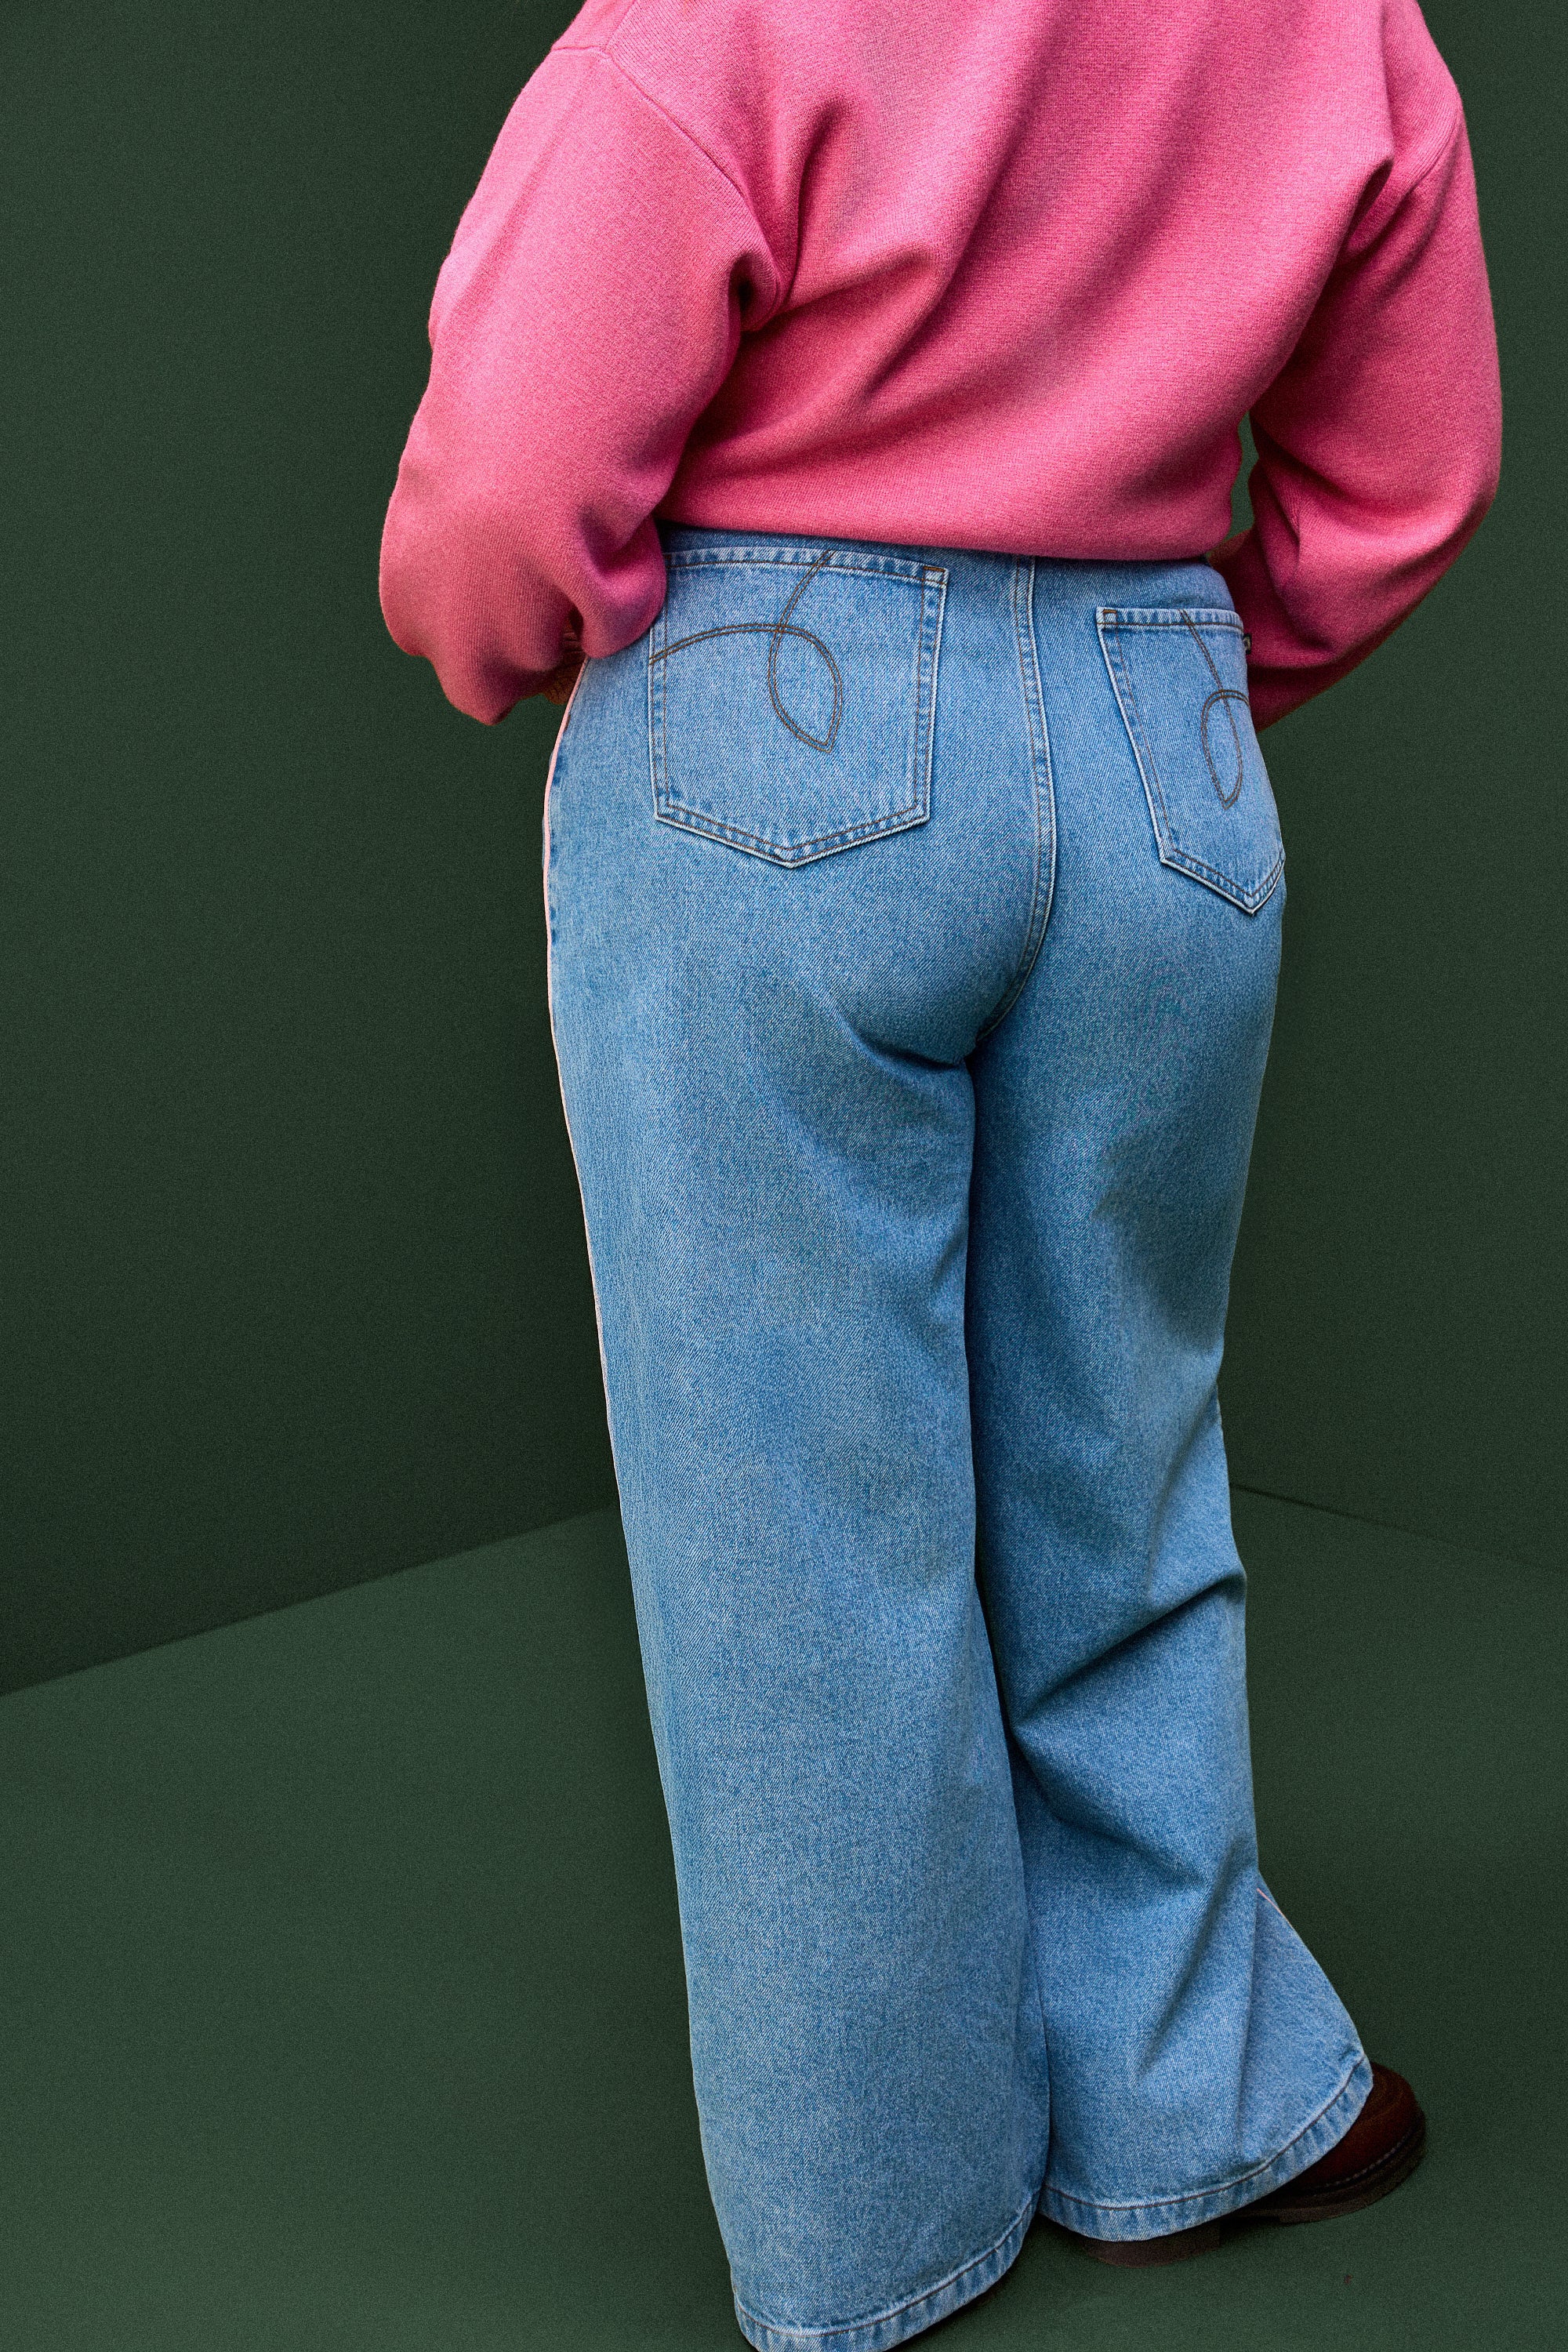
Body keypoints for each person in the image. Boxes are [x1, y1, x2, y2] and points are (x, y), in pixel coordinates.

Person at [379, 2, 1501, 2343]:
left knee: (797, 1522)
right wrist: (1164, 684)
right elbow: (1418, 465)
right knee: (1124, 1450)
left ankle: (873, 2222)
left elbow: (506, 470)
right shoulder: (1349, 21)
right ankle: (1191, 2098)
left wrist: (499, 647)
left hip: (769, 720)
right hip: (1162, 723)